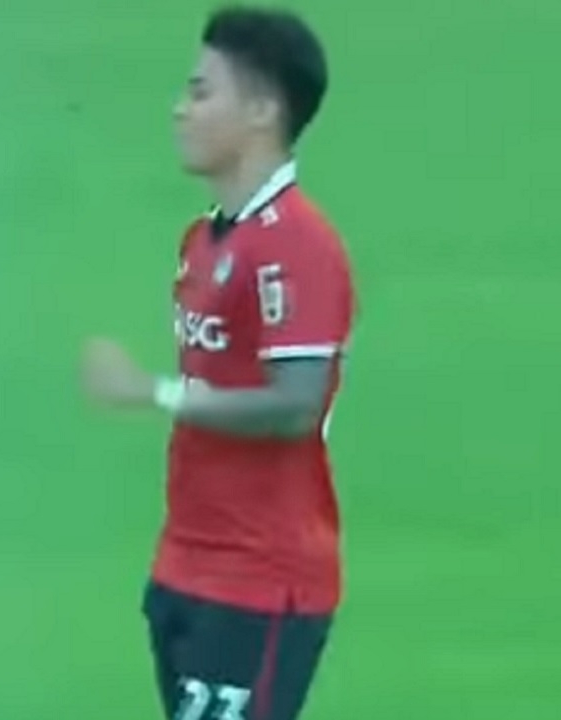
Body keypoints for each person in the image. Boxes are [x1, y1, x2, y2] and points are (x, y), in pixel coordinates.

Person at [80, 7, 353, 719]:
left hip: (259, 580)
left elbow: (295, 405)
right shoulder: (202, 243)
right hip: (186, 566)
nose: (181, 109)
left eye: (202, 92)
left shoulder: (298, 245)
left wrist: (154, 391)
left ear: (261, 110)